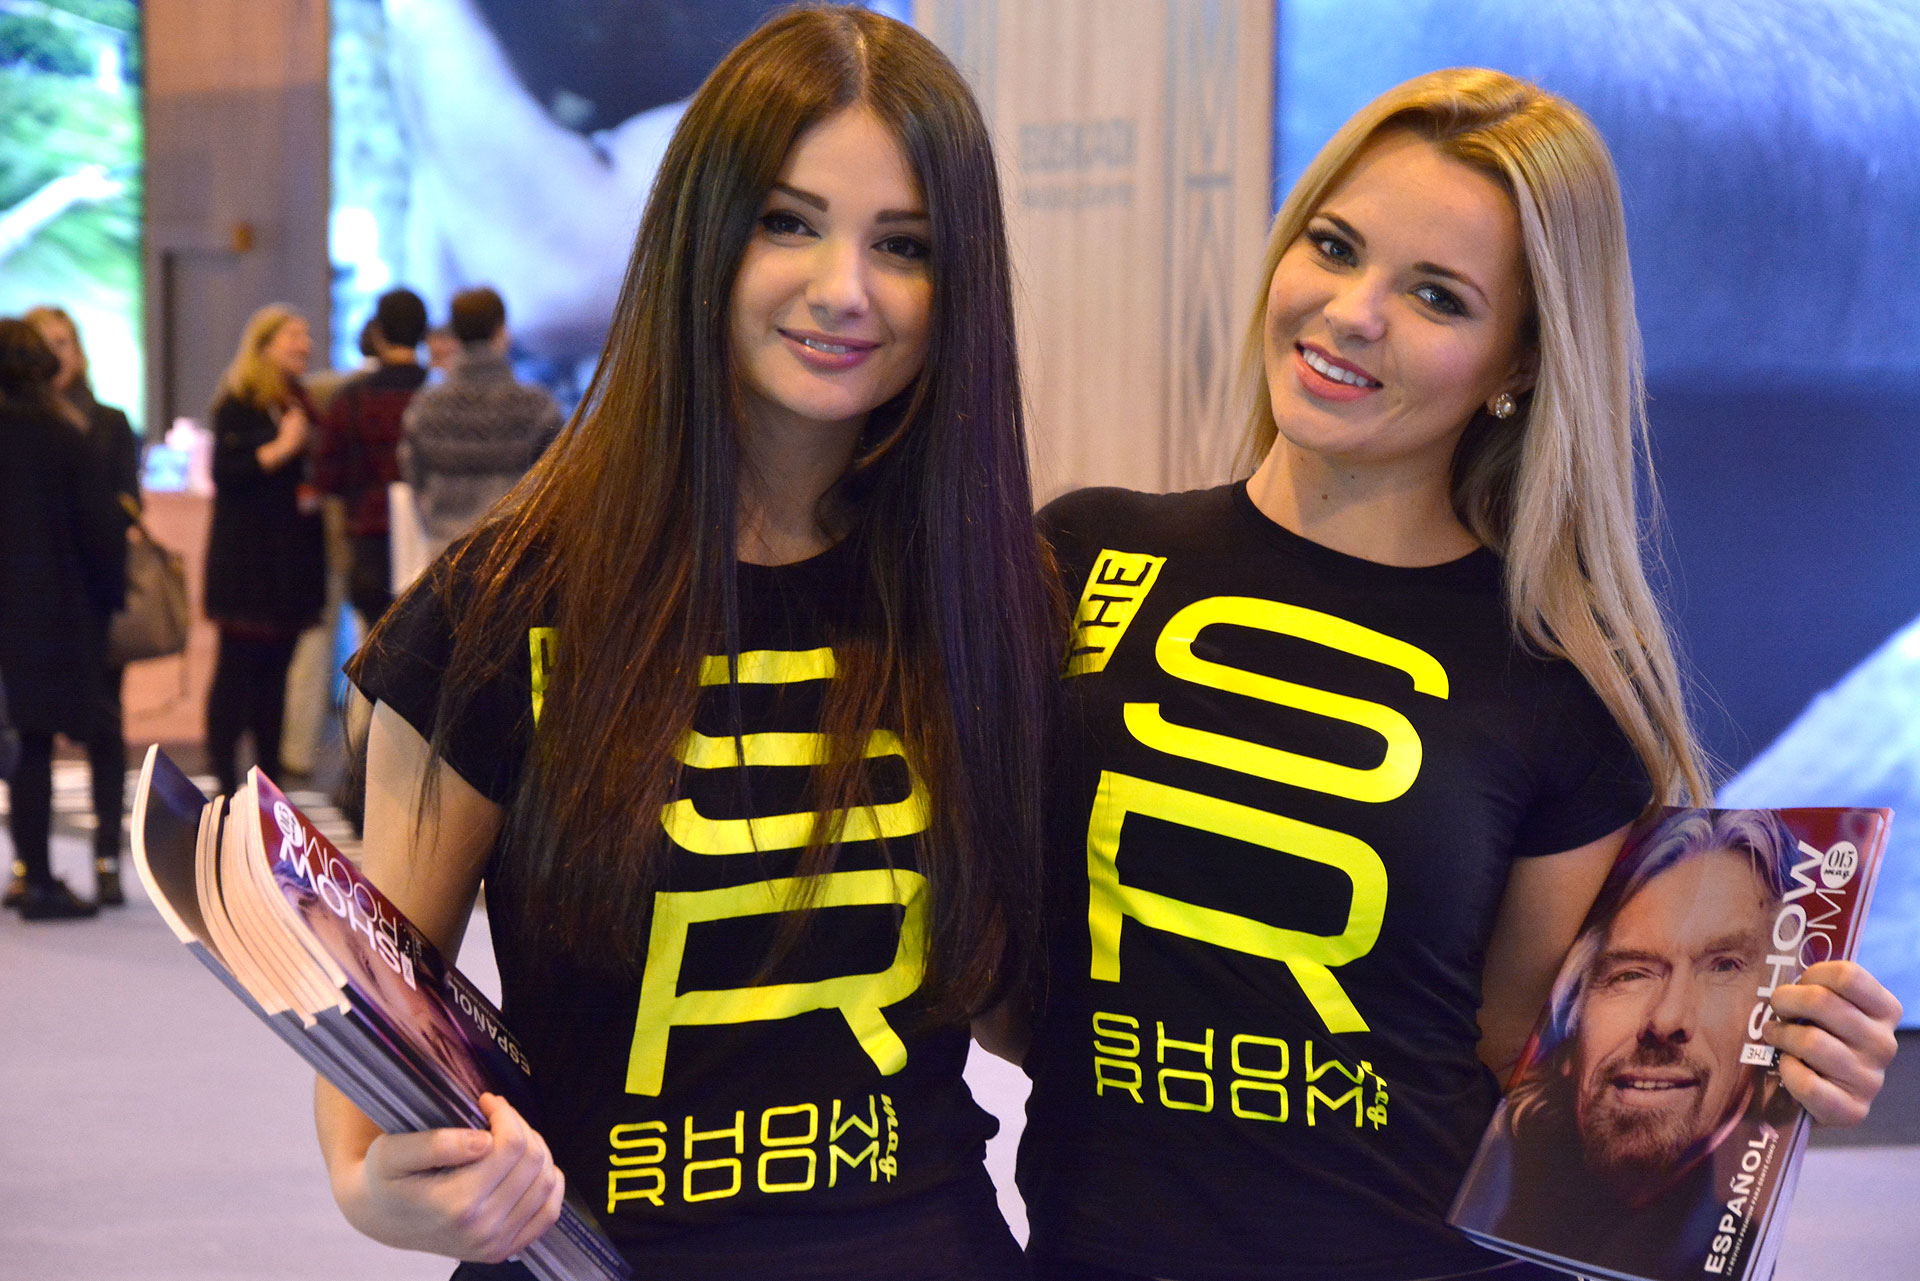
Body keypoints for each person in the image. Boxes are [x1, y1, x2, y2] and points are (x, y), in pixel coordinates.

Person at [1014, 68, 1902, 1281]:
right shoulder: (1085, 554)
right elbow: (993, 971)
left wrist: (1788, 1055)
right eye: (1335, 247)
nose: (1352, 313)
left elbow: (1536, 1069)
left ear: (1517, 364)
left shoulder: (1555, 684)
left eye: (1437, 295)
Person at [318, 8, 1055, 1279]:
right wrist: (399, 1193)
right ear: (701, 234)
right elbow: (372, 1073)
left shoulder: (987, 593)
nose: (846, 288)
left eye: (904, 244)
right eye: (788, 222)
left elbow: (1014, 1000)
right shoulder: (501, 609)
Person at [1454, 808, 1825, 1278]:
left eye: (1723, 967)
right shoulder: (1484, 1201)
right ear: (1569, 1018)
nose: (1666, 1020)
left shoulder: (1730, 1241)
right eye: (1631, 974)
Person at [0, 307, 142, 907]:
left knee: (23, 743)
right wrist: (107, 601)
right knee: (38, 741)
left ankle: (31, 870)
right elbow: (102, 533)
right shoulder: (64, 436)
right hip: (53, 614)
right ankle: (42, 883)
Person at [203, 305, 328, 798]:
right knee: (236, 674)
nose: (305, 344)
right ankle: (222, 778)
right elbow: (225, 473)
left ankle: (269, 782)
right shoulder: (237, 404)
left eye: (306, 334)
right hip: (246, 565)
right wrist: (281, 448)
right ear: (263, 345)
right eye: (293, 335)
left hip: (292, 565)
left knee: (277, 677)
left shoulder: (304, 402)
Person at [399, 286, 563, 564]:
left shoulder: (425, 406)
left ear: (455, 334)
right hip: (515, 556)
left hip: (445, 556)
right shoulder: (537, 406)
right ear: (501, 331)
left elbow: (414, 476)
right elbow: (554, 482)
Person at [317, 287, 432, 629]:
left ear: (378, 334)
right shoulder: (439, 396)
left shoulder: (350, 400)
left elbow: (328, 476)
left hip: (370, 540)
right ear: (424, 333)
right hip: (433, 539)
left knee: (377, 648)